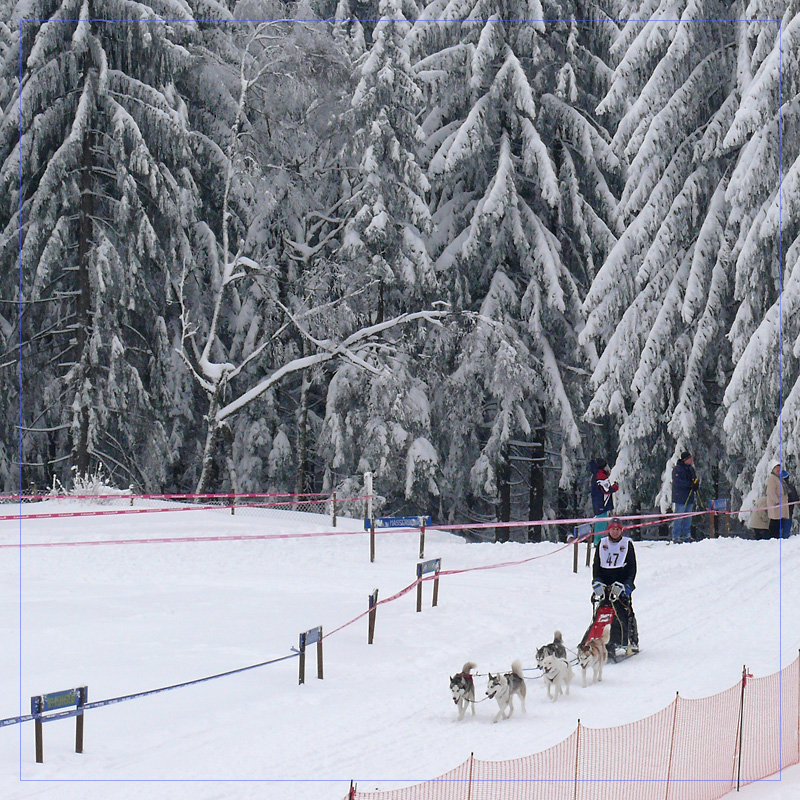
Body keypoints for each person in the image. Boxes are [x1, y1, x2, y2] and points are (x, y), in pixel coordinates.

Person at [589, 518, 639, 656]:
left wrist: (627, 585)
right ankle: (594, 639)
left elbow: (632, 568)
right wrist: (597, 581)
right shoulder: (602, 544)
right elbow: (596, 565)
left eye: (617, 529)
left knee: (623, 611)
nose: (615, 532)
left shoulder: (627, 544)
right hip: (605, 583)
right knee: (601, 612)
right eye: (613, 529)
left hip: (621, 583)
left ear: (621, 530)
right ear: (608, 530)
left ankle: (630, 640)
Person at [589, 458, 618, 545]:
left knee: (602, 521)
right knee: (601, 522)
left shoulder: (598, 475)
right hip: (601, 503)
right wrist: (615, 487)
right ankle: (598, 542)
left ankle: (599, 540)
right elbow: (606, 489)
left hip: (600, 503)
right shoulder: (600, 475)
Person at [671, 451, 699, 542]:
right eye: (690, 458)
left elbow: (694, 479)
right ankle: (676, 536)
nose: (692, 460)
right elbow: (678, 482)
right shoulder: (678, 469)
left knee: (688, 517)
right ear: (685, 459)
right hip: (680, 497)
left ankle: (686, 535)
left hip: (689, 496)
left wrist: (695, 485)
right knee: (679, 517)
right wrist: (689, 485)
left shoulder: (691, 469)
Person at [766, 459, 790, 539]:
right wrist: (776, 502)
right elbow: (771, 492)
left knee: (779, 522)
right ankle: (772, 538)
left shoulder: (779, 478)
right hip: (776, 505)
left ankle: (776, 538)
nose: (778, 469)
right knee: (775, 522)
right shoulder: (772, 478)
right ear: (773, 469)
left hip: (781, 505)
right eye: (776, 468)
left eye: (779, 468)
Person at [779, 468, 798, 538]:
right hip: (788, 512)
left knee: (779, 529)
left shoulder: (778, 487)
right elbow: (795, 498)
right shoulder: (791, 487)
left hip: (779, 512)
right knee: (786, 530)